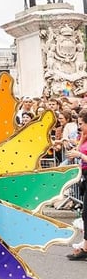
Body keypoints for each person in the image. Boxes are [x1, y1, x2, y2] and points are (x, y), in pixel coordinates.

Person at [65, 109, 87, 260]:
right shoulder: (84, 136)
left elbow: (81, 154)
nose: (79, 127)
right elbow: (77, 149)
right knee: (85, 214)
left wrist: (80, 155)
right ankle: (85, 247)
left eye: (81, 124)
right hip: (84, 176)